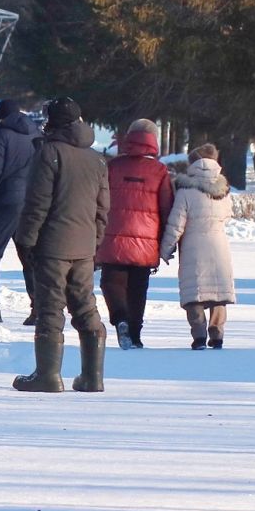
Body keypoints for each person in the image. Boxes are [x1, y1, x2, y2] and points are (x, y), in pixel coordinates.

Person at [13, 98, 109, 394]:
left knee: (51, 306)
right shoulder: (96, 158)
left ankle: (48, 376)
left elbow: (37, 203)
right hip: (83, 246)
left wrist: (26, 239)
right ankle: (92, 378)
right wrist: (94, 241)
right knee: (85, 305)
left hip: (52, 244)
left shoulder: (49, 153)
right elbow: (102, 208)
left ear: (52, 122)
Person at [97, 118, 174, 349]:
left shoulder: (113, 167)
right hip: (146, 239)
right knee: (138, 288)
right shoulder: (160, 171)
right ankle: (135, 333)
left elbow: (99, 200)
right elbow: (166, 206)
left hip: (114, 235)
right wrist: (164, 240)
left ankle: (120, 318)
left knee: (111, 282)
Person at [161, 144, 235, 349]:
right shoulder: (224, 190)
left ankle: (199, 336)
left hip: (193, 247)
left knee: (194, 294)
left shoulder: (185, 191)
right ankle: (217, 334)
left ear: (192, 164)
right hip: (219, 246)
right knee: (218, 293)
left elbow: (176, 224)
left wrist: (166, 249)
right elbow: (228, 215)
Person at [0, 98, 41, 324]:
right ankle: (38, 307)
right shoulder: (35, 133)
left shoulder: (0, 134)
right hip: (32, 201)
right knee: (29, 255)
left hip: (7, 201)